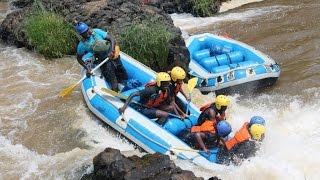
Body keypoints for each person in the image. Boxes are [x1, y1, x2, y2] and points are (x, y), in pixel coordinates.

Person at [75, 22, 127, 91]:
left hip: (112, 55)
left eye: (87, 31)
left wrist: (111, 50)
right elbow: (79, 59)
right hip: (103, 61)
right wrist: (87, 68)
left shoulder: (96, 32)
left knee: (123, 74)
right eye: (84, 33)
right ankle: (115, 92)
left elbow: (111, 39)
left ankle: (125, 85)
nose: (87, 33)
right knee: (112, 78)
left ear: (88, 28)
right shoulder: (82, 45)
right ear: (81, 34)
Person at [118, 72, 183, 125]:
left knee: (171, 107)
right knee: (165, 115)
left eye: (168, 83)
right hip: (143, 108)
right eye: (165, 83)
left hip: (153, 107)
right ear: (160, 82)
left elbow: (172, 102)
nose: (167, 85)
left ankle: (158, 122)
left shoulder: (166, 90)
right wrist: (123, 108)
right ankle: (155, 126)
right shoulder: (151, 90)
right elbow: (133, 94)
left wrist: (180, 115)